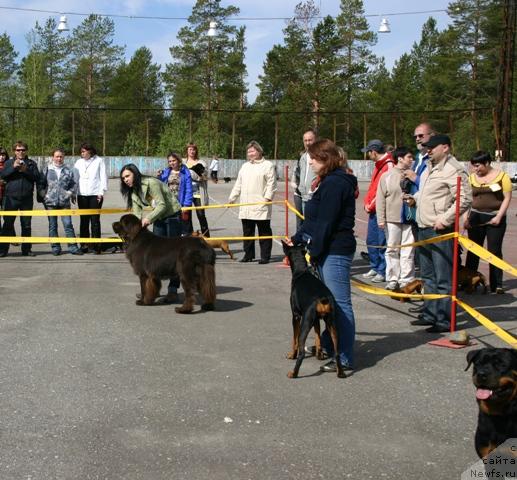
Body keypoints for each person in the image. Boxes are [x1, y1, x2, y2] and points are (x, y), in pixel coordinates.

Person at [291, 138, 357, 373]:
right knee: (328, 304)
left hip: (336, 250)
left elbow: (327, 223)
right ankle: (329, 347)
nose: (309, 162)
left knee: (339, 304)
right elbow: (314, 220)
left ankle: (345, 357)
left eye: (313, 158)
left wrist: (315, 251)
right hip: (325, 249)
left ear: (325, 159)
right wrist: (298, 238)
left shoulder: (336, 184)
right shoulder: (326, 182)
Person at [405, 134, 472, 333]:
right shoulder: (430, 167)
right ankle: (430, 313)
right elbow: (430, 193)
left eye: (433, 147)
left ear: (445, 147)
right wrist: (415, 198)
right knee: (427, 276)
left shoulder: (454, 169)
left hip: (440, 229)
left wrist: (446, 218)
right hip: (424, 226)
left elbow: (464, 198)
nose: (429, 150)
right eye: (427, 147)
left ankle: (444, 320)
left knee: (443, 278)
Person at [120, 163, 182, 304]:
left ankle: (173, 291)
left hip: (172, 216)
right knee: (157, 257)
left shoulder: (151, 183)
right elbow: (136, 214)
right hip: (158, 218)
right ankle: (152, 290)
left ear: (135, 174)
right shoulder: (134, 191)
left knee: (174, 255)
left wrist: (148, 219)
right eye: (123, 178)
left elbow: (162, 205)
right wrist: (133, 230)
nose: (125, 180)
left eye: (128, 176)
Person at [463, 151, 512, 294]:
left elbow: (507, 198)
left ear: (487, 163)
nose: (475, 169)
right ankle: (469, 281)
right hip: (476, 219)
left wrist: (498, 217)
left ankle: (497, 284)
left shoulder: (503, 177)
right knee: (473, 250)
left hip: (495, 219)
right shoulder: (472, 178)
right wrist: (466, 218)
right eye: (473, 166)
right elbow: (468, 200)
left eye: (478, 166)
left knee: (494, 251)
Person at [228, 140, 277, 264]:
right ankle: (248, 255)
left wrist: (267, 199)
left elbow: (272, 184)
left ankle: (265, 256)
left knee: (264, 231)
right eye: (248, 151)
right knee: (247, 231)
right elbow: (238, 184)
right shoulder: (245, 166)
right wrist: (232, 198)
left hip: (261, 203)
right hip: (246, 204)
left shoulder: (268, 165)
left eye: (253, 150)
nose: (250, 153)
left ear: (259, 151)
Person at [376, 146, 416, 290]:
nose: (412, 160)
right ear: (400, 158)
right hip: (392, 219)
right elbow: (380, 198)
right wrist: (381, 219)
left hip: (409, 218)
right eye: (409, 157)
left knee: (408, 250)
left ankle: (406, 279)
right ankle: (393, 278)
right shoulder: (387, 176)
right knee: (392, 249)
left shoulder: (413, 175)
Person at [361, 139, 395, 283]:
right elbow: (372, 188)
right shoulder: (378, 165)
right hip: (374, 210)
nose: (368, 155)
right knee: (372, 240)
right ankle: (375, 266)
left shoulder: (388, 166)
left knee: (382, 241)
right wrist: (366, 202)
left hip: (382, 210)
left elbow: (383, 191)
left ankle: (383, 270)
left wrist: (371, 205)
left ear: (374, 152)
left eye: (368, 152)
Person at [0, 141, 41, 257]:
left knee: (26, 225)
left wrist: (25, 170)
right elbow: (2, 175)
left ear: (26, 151)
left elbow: (37, 178)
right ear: (14, 151)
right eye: (18, 150)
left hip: (26, 199)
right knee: (7, 224)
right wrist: (13, 168)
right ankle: (2, 250)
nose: (21, 152)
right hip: (11, 198)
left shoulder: (31, 163)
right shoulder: (8, 163)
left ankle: (26, 249)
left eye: (23, 150)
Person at [39, 149, 83, 256]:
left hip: (64, 203)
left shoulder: (68, 170)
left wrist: (69, 193)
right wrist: (44, 195)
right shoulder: (47, 169)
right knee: (52, 225)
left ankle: (73, 247)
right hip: (50, 203)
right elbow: (41, 184)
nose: (59, 159)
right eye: (57, 156)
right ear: (53, 157)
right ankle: (55, 247)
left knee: (68, 224)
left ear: (64, 157)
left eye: (61, 157)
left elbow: (74, 184)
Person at [74, 143, 108, 254]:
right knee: (83, 221)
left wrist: (101, 192)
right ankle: (84, 245)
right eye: (81, 152)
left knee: (95, 221)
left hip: (95, 195)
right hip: (82, 195)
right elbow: (75, 178)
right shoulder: (79, 162)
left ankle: (96, 246)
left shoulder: (99, 161)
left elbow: (103, 176)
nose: (82, 153)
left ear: (90, 151)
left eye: (84, 151)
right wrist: (74, 193)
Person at [157, 152, 193, 236]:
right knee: (169, 228)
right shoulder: (166, 171)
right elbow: (160, 184)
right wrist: (159, 176)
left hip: (179, 204)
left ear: (179, 161)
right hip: (168, 203)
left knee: (181, 229)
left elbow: (189, 189)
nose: (171, 163)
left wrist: (186, 205)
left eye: (173, 160)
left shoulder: (185, 172)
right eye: (169, 161)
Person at [290, 129, 317, 230]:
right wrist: (295, 185)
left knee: (310, 222)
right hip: (300, 194)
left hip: (313, 196)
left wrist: (315, 188)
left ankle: (309, 243)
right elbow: (297, 172)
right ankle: (300, 241)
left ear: (315, 140)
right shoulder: (303, 157)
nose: (308, 143)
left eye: (310, 140)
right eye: (305, 140)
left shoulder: (320, 156)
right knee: (300, 220)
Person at [185, 143, 210, 236]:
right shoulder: (183, 163)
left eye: (194, 149)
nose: (192, 151)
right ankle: (189, 238)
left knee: (201, 216)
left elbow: (204, 176)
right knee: (187, 217)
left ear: (196, 151)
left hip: (198, 193)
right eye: (190, 149)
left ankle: (207, 239)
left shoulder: (202, 162)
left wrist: (190, 173)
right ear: (187, 151)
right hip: (186, 193)